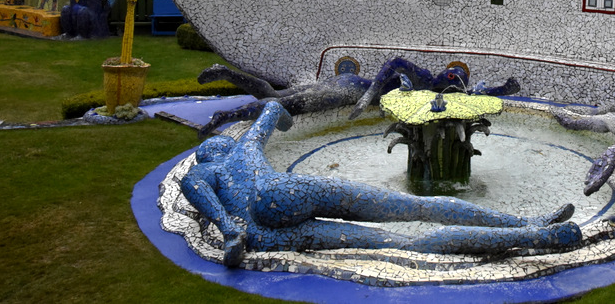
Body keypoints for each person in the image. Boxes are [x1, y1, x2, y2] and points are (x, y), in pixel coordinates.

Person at [181, 101, 581, 267]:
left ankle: (538, 236)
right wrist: (282, 121)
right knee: (419, 208)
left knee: (405, 243)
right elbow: (272, 110)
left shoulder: (208, 172)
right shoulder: (241, 149)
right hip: (278, 194)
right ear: (219, 147)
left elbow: (196, 191)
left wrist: (230, 231)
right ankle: (527, 225)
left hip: (261, 234)